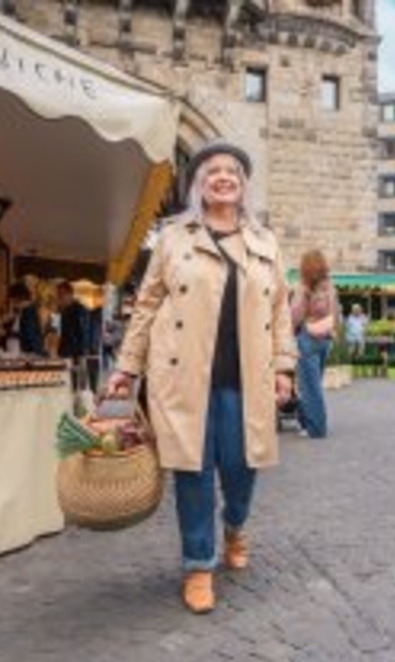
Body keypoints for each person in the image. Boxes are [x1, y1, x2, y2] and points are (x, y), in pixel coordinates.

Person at [105, 140, 296, 614]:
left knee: (240, 469)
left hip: (246, 378)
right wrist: (126, 368)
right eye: (213, 171)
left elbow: (281, 311)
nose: (223, 177)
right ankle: (197, 564)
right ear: (199, 184)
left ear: (243, 184)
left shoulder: (266, 242)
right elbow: (147, 305)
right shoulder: (173, 237)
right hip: (182, 376)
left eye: (232, 171)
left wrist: (286, 367)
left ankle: (235, 524)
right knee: (192, 472)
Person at [291, 250, 339, 439]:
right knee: (313, 383)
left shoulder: (304, 287)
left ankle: (316, 428)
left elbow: (295, 315)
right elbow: (336, 313)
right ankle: (305, 421)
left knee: (308, 386)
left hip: (307, 338)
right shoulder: (330, 287)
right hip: (326, 338)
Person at [57, 282, 91, 387]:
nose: (59, 298)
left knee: (78, 385)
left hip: (76, 355)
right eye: (58, 295)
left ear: (70, 294)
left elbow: (83, 334)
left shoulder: (79, 310)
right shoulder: (65, 311)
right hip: (67, 354)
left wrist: (79, 357)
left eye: (61, 295)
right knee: (69, 384)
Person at [6, 282, 46, 356]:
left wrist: (10, 334)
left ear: (18, 298)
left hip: (29, 354)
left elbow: (29, 335)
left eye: (12, 300)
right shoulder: (22, 311)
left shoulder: (29, 312)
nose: (12, 303)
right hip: (22, 353)